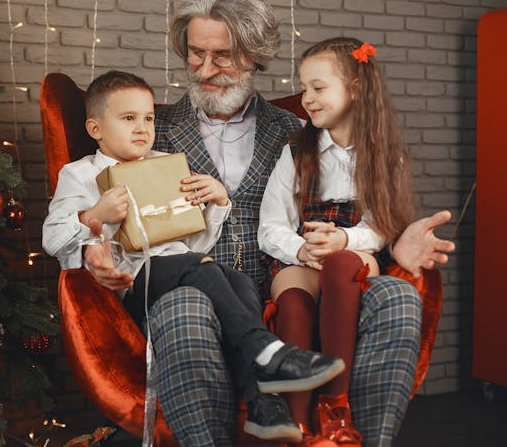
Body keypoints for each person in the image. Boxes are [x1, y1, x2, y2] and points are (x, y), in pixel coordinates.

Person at [85, 0, 455, 447]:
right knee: (182, 305)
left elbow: (361, 203)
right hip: (198, 296)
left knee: (399, 298)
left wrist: (395, 240)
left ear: (254, 54)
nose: (204, 69)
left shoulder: (300, 133)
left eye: (222, 56)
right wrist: (95, 250)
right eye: (195, 54)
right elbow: (96, 212)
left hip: (293, 283)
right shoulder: (146, 134)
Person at [42, 70, 346, 443]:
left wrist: (217, 202)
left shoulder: (167, 163)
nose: (142, 128)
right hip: (133, 288)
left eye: (149, 118)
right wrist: (94, 217)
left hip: (181, 271)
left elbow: (194, 243)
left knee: (239, 283)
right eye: (128, 118)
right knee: (194, 267)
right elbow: (53, 238)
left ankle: (261, 404)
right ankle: (266, 352)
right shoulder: (80, 174)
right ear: (95, 129)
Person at [257, 37, 415, 446]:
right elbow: (271, 225)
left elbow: (384, 226)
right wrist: (302, 249)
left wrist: (342, 238)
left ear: (356, 89)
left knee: (344, 263)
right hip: (301, 256)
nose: (306, 98)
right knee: (292, 299)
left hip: (355, 252)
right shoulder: (297, 150)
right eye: (303, 87)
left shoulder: (384, 153)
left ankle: (334, 409)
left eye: (318, 87)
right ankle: (297, 421)